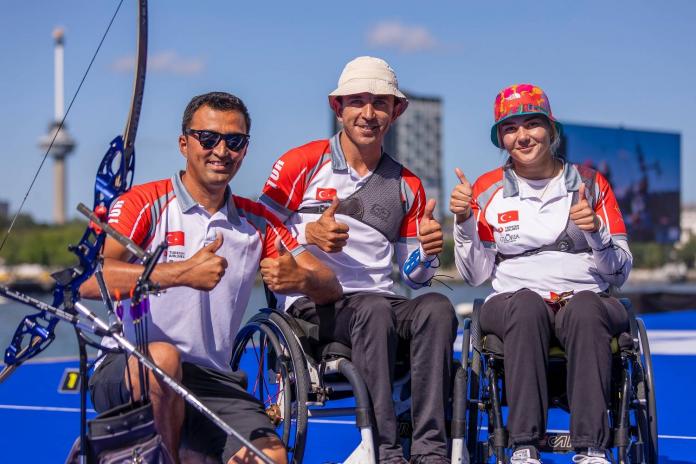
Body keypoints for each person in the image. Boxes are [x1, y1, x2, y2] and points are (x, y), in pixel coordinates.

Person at [81, 92, 342, 464]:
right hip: (129, 367)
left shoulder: (257, 222)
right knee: (163, 359)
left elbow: (330, 285)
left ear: (245, 149)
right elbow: (90, 281)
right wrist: (180, 273)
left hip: (212, 381)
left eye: (234, 141)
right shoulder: (145, 203)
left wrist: (301, 279)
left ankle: (192, 448)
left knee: (271, 458)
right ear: (184, 143)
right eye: (208, 138)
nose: (221, 150)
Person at [260, 56, 457, 464]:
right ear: (338, 108)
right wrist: (304, 235)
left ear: (396, 111)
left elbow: (414, 278)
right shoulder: (301, 162)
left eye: (380, 103)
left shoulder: (408, 184)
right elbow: (254, 230)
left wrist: (428, 254)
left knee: (437, 308)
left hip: (379, 303)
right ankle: (383, 450)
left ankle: (430, 451)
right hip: (313, 307)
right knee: (373, 309)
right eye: (357, 102)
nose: (369, 113)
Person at [450, 84, 632, 464]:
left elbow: (620, 271)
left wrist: (596, 234)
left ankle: (592, 449)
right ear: (501, 137)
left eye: (532, 124)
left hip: (587, 299)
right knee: (527, 305)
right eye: (510, 128)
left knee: (584, 308)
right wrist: (464, 221)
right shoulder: (486, 190)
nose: (523, 136)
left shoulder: (591, 184)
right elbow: (474, 274)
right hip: (515, 302)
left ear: (552, 130)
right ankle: (524, 446)